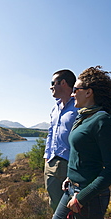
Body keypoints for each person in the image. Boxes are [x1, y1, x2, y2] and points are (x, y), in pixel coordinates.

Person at [47, 66, 111, 219]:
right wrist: (70, 177)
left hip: (90, 196)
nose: (72, 94)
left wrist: (82, 197)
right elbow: (80, 154)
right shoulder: (82, 117)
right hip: (71, 189)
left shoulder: (102, 120)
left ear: (88, 92)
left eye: (75, 90)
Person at [44, 69, 79, 211]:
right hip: (51, 162)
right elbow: (51, 133)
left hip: (70, 164)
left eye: (53, 83)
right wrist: (46, 156)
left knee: (73, 205)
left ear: (63, 83)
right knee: (55, 205)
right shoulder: (55, 108)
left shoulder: (79, 105)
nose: (50, 87)